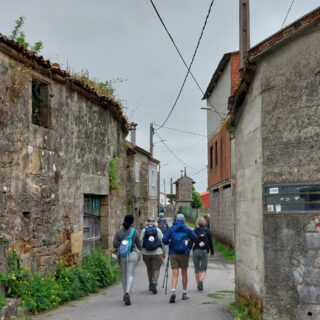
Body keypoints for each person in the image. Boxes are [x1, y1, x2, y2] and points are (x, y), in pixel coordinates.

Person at [163, 213, 197, 303]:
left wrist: (169, 242)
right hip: (184, 253)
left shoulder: (171, 229)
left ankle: (173, 291)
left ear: (176, 220)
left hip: (173, 253)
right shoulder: (186, 229)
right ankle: (184, 293)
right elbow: (195, 238)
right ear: (183, 220)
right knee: (184, 273)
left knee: (175, 273)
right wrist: (189, 246)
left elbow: (164, 240)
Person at [113, 214, 141, 306]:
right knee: (130, 275)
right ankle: (128, 293)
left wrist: (121, 245)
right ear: (132, 222)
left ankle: (124, 293)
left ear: (124, 220)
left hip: (122, 256)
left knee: (124, 275)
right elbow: (139, 246)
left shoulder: (118, 232)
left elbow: (115, 245)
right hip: (132, 254)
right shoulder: (134, 232)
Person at [140, 218, 166, 294]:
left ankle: (150, 284)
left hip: (146, 253)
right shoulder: (158, 230)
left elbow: (140, 242)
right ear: (155, 223)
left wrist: (140, 252)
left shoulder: (143, 230)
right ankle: (154, 283)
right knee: (156, 268)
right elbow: (163, 242)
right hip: (157, 253)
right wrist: (164, 253)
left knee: (149, 269)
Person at [192, 216, 214, 292]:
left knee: (196, 269)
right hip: (204, 251)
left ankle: (198, 285)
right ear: (204, 222)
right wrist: (212, 251)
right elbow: (211, 242)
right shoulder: (208, 230)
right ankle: (201, 281)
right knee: (203, 268)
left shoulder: (195, 230)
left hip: (196, 251)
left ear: (197, 222)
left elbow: (192, 240)